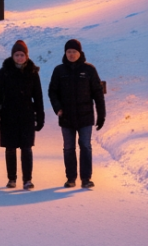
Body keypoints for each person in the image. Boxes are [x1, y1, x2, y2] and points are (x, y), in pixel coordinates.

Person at [48, 39, 105, 189]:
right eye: (69, 52)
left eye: (74, 51)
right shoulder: (59, 70)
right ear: (65, 53)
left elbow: (98, 94)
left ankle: (86, 178)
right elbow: (52, 91)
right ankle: (71, 178)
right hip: (66, 116)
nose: (71, 54)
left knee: (85, 146)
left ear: (80, 53)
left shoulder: (89, 70)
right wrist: (57, 108)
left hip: (85, 116)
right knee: (68, 148)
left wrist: (101, 114)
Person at [0, 40, 45, 189]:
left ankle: (27, 179)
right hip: (8, 115)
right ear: (12, 56)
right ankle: (12, 179)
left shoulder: (32, 72)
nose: (19, 58)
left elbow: (38, 96)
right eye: (17, 55)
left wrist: (40, 117)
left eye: (22, 55)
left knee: (26, 148)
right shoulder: (4, 72)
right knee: (10, 148)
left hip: (26, 115)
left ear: (26, 56)